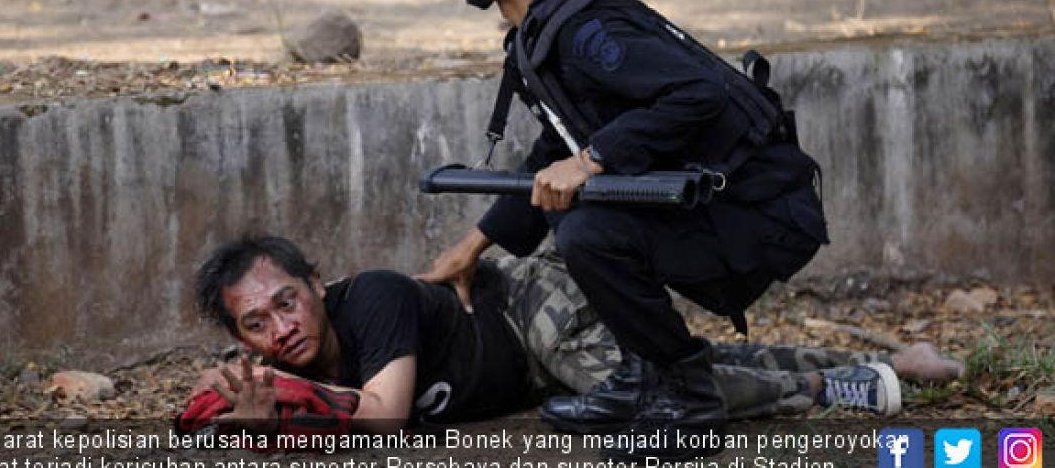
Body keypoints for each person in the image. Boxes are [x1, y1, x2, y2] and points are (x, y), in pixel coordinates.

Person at [420, 0, 836, 461]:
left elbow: (700, 95)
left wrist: (591, 161)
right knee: (579, 219)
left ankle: (688, 400)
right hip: (723, 203)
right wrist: (473, 246)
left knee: (587, 229)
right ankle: (644, 381)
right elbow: (554, 154)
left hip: (758, 211)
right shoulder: (548, 30)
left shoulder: (587, 32)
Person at [190, 236, 964, 437]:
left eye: (287, 302)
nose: (281, 328)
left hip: (532, 309)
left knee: (653, 395)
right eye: (256, 323)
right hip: (532, 375)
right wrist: (263, 424)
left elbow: (381, 421)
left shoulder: (377, 300)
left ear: (316, 286)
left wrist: (285, 420)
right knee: (681, 370)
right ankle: (884, 360)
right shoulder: (272, 380)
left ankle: (832, 388)